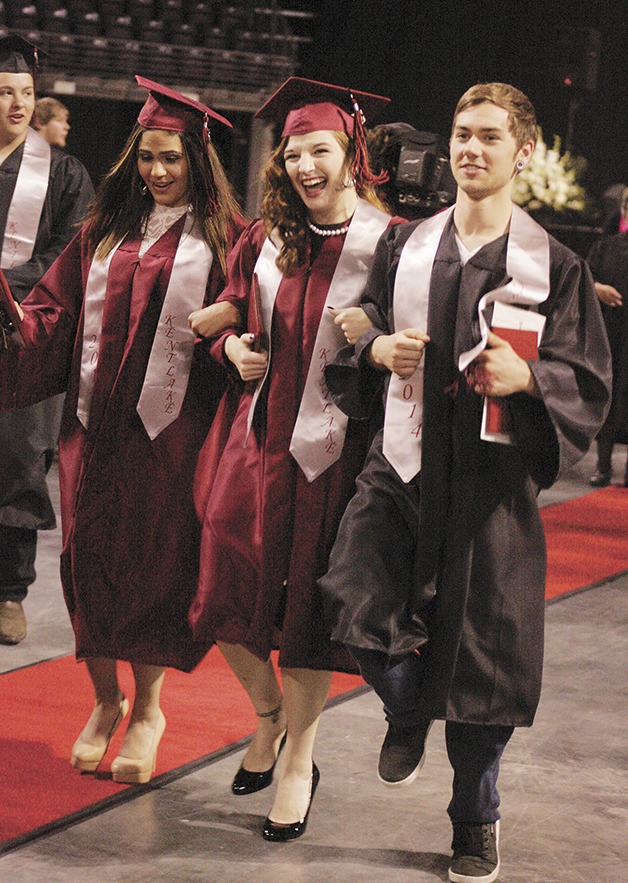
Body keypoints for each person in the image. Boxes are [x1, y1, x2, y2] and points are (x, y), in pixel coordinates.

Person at [319, 83, 611, 882]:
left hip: (489, 481)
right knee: (350, 591)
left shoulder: (553, 263)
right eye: (461, 134)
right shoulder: (408, 245)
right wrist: (376, 349)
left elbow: (585, 376)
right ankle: (407, 703)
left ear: (523, 152)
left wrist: (529, 377)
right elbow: (366, 321)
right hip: (404, 460)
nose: (470, 149)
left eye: (488, 136)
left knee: (483, 662)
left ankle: (474, 821)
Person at [0, 75, 244, 783]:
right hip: (91, 431)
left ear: (196, 161)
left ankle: (148, 709)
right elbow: (54, 314)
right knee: (87, 561)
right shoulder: (103, 234)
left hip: (171, 439)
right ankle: (105, 699)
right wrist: (14, 320)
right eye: (147, 158)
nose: (158, 171)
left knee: (152, 568)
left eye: (171, 158)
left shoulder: (223, 239)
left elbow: (249, 319)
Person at [189, 76, 400, 841]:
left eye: (321, 150)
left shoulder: (392, 244)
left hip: (335, 457)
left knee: (307, 613)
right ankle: (270, 715)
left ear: (353, 155)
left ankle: (297, 760)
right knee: (218, 592)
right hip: (255, 444)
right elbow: (228, 315)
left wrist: (375, 343)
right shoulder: (262, 238)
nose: (306, 166)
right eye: (294, 153)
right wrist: (232, 345)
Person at [0, 35, 93, 646]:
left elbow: (73, 253)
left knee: (17, 464)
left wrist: (9, 286)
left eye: (27, 94)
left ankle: (8, 591)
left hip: (22, 336)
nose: (18, 105)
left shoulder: (61, 172)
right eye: (5, 93)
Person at [587, 186, 628, 487]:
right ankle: (603, 466)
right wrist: (597, 289)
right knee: (610, 397)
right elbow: (583, 277)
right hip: (612, 336)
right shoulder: (607, 246)